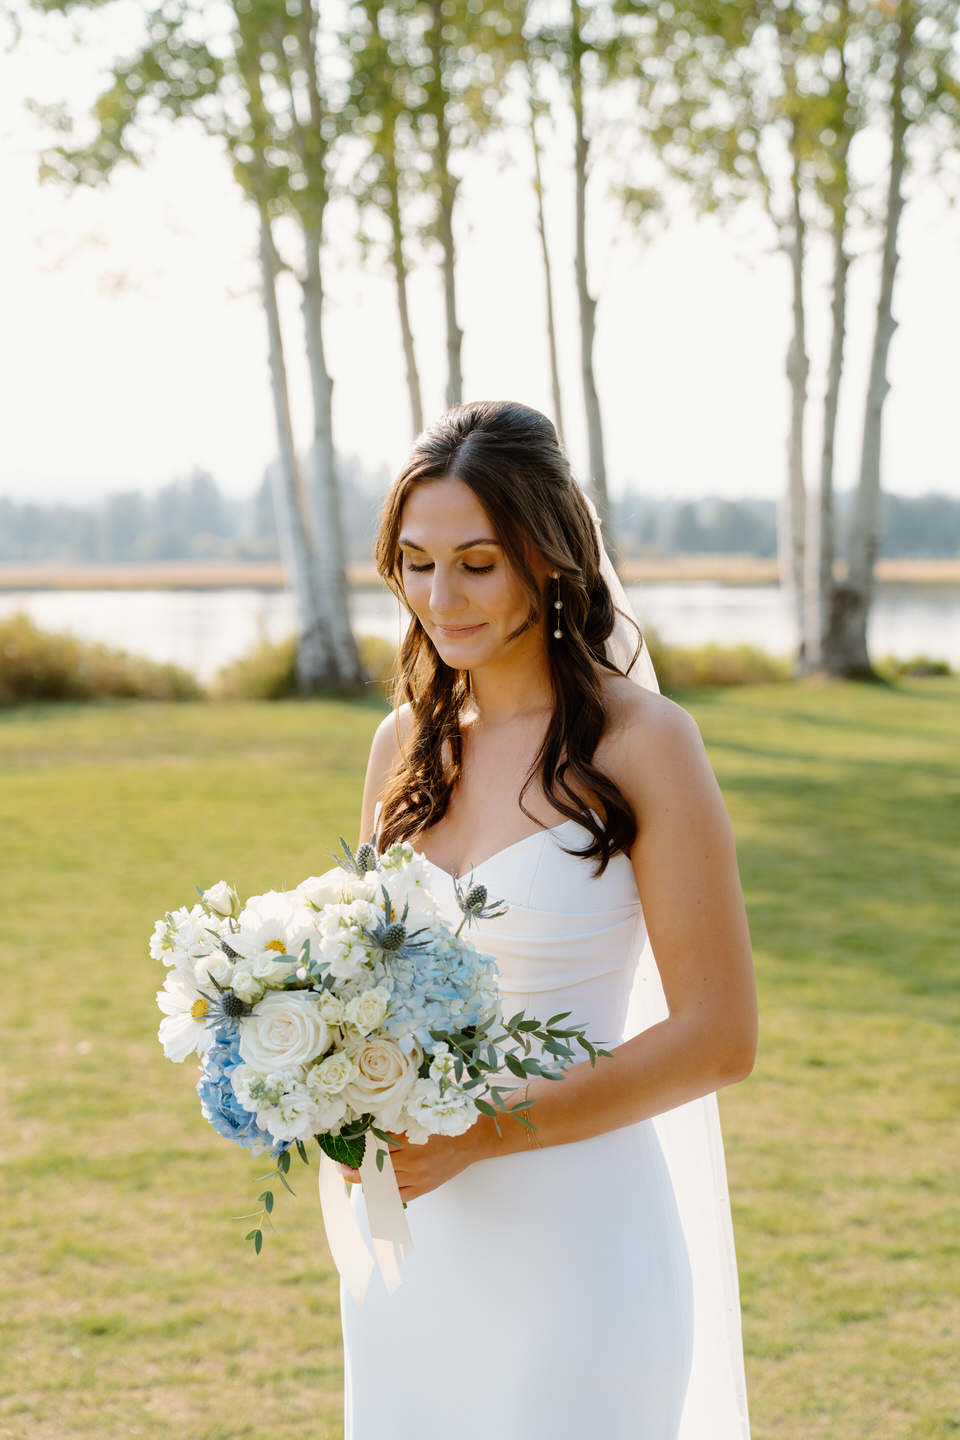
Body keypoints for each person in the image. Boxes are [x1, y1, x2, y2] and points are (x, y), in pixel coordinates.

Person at [340, 399, 757, 1439]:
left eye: (478, 562)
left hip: (580, 1242)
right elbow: (358, 985)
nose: (443, 595)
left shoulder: (645, 744)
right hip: (416, 1254)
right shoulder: (403, 747)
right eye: (418, 561)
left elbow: (720, 1037)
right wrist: (320, 1084)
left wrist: (485, 1131)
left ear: (549, 556)